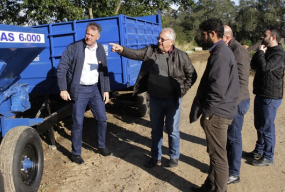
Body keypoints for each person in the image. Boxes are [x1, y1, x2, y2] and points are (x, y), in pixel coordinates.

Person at [110, 28, 197, 168]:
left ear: (172, 41)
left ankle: (174, 156)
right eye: (159, 38)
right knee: (156, 129)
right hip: (155, 99)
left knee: (172, 130)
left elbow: (192, 75)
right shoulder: (151, 51)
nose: (159, 41)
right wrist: (121, 50)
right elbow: (136, 54)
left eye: (162, 39)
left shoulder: (181, 55)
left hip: (172, 100)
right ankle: (155, 157)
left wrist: (182, 91)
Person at [190, 18, 239, 192]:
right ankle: (208, 186)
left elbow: (217, 88)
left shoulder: (221, 54)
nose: (201, 38)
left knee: (218, 157)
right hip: (220, 111)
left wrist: (208, 112)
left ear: (212, 34)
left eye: (203, 35)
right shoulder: (221, 51)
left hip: (217, 114)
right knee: (215, 155)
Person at [57, 22, 112, 164]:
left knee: (102, 119)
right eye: (87, 33)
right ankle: (75, 153)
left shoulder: (100, 50)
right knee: (77, 123)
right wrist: (63, 88)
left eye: (92, 35)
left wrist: (106, 89)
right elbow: (62, 68)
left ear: (98, 37)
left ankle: (101, 146)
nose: (88, 37)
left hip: (95, 90)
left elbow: (104, 71)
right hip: (79, 90)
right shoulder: (74, 48)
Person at [244, 27, 285, 167]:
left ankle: (268, 156)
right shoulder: (266, 50)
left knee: (267, 127)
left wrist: (261, 53)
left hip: (271, 96)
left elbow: (266, 68)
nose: (262, 37)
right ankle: (259, 150)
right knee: (259, 125)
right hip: (261, 93)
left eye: (265, 35)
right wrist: (258, 53)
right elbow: (254, 65)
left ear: (273, 37)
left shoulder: (279, 54)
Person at [223, 25, 250, 185]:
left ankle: (234, 173)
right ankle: (225, 169)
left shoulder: (238, 51)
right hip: (230, 101)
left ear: (227, 37)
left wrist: (233, 104)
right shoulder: (228, 49)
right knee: (228, 137)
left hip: (237, 103)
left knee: (234, 138)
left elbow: (242, 82)